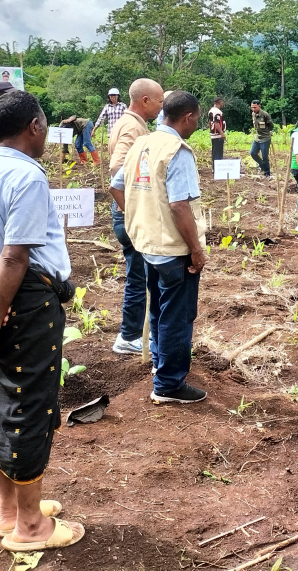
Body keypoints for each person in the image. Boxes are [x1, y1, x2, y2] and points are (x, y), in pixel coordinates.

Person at [0, 90, 85, 552]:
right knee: (29, 405)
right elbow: (14, 256)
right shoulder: (27, 176)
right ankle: (31, 528)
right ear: (35, 127)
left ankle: (10, 512)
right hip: (22, 302)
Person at [109, 91, 208, 404]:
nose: (196, 124)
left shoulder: (142, 143)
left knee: (159, 308)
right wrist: (196, 250)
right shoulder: (177, 151)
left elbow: (115, 187)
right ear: (188, 117)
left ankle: (159, 362)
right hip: (173, 250)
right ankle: (168, 384)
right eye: (197, 119)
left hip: (146, 244)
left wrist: (138, 215)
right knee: (177, 315)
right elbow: (179, 206)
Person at [105, 79, 164, 355]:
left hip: (125, 210)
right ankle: (128, 336)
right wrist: (132, 205)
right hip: (128, 212)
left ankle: (132, 334)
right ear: (145, 101)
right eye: (159, 101)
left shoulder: (129, 122)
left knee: (138, 274)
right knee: (138, 277)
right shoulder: (132, 127)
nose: (161, 107)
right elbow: (118, 165)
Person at [249, 100, 274, 178]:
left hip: (265, 138)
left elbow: (271, 126)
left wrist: (267, 132)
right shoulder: (253, 114)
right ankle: (262, 166)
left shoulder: (265, 115)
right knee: (253, 153)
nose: (253, 109)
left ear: (259, 106)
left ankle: (267, 173)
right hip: (258, 138)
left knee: (265, 157)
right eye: (252, 107)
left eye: (255, 107)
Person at [207, 98, 226, 163]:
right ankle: (217, 167)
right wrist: (221, 133)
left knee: (215, 151)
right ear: (220, 102)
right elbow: (216, 122)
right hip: (217, 135)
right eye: (222, 102)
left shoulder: (211, 111)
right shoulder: (217, 112)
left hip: (214, 134)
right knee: (218, 153)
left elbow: (210, 122)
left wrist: (211, 130)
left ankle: (215, 166)